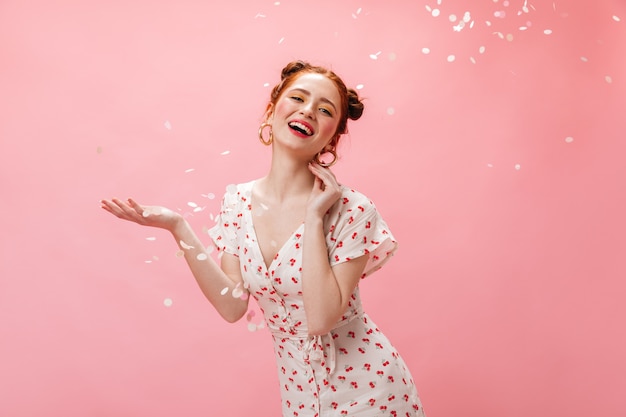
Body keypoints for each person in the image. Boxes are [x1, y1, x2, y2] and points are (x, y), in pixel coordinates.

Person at [101, 60, 426, 417]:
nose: (308, 111)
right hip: (299, 398)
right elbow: (232, 306)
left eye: (324, 109)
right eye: (298, 98)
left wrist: (315, 216)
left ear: (332, 137)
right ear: (272, 110)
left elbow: (320, 319)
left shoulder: (353, 210)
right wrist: (177, 226)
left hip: (371, 393)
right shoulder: (237, 203)